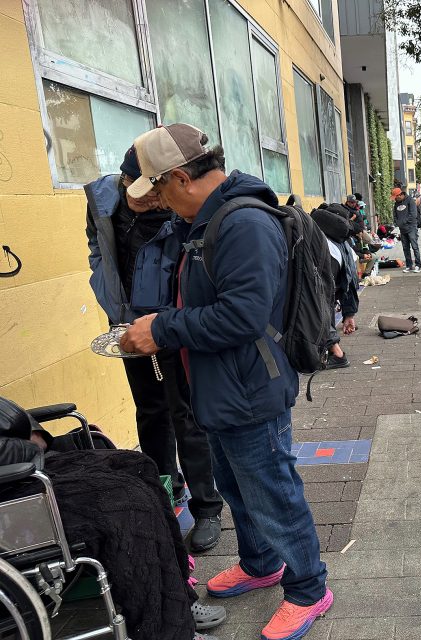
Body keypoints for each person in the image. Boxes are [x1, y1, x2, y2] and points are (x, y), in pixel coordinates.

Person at [119, 123, 332, 640]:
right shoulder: (210, 219)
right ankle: (262, 563)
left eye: (160, 189)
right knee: (237, 487)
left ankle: (309, 588)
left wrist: (162, 328)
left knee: (274, 493)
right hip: (224, 387)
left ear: (179, 177)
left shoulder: (241, 224)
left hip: (251, 387)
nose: (162, 203)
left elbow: (242, 315)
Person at [84, 147, 223, 553]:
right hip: (129, 324)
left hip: (174, 324)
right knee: (149, 411)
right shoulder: (102, 201)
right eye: (138, 188)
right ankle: (166, 489)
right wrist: (108, 298)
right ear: (124, 181)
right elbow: (98, 249)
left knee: (187, 414)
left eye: (154, 188)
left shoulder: (181, 207)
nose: (149, 197)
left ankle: (208, 507)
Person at [0, 398, 224, 640]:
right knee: (129, 505)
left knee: (140, 466)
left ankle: (176, 599)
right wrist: (31, 446)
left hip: (30, 461)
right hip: (14, 485)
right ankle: (167, 632)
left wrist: (33, 434)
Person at [311, 207, 359, 369]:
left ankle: (337, 353)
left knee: (318, 305)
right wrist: (349, 314)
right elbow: (352, 282)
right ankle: (328, 348)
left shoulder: (322, 242)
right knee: (325, 305)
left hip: (328, 285)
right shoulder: (344, 244)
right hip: (336, 287)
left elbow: (319, 299)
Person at [392, 186, 421, 273]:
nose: (394, 199)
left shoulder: (410, 200)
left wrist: (403, 222)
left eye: (395, 197)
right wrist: (397, 222)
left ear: (400, 195)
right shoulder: (396, 203)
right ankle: (409, 265)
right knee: (405, 248)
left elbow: (413, 214)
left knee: (414, 247)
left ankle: (418, 265)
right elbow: (395, 214)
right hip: (402, 229)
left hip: (411, 227)